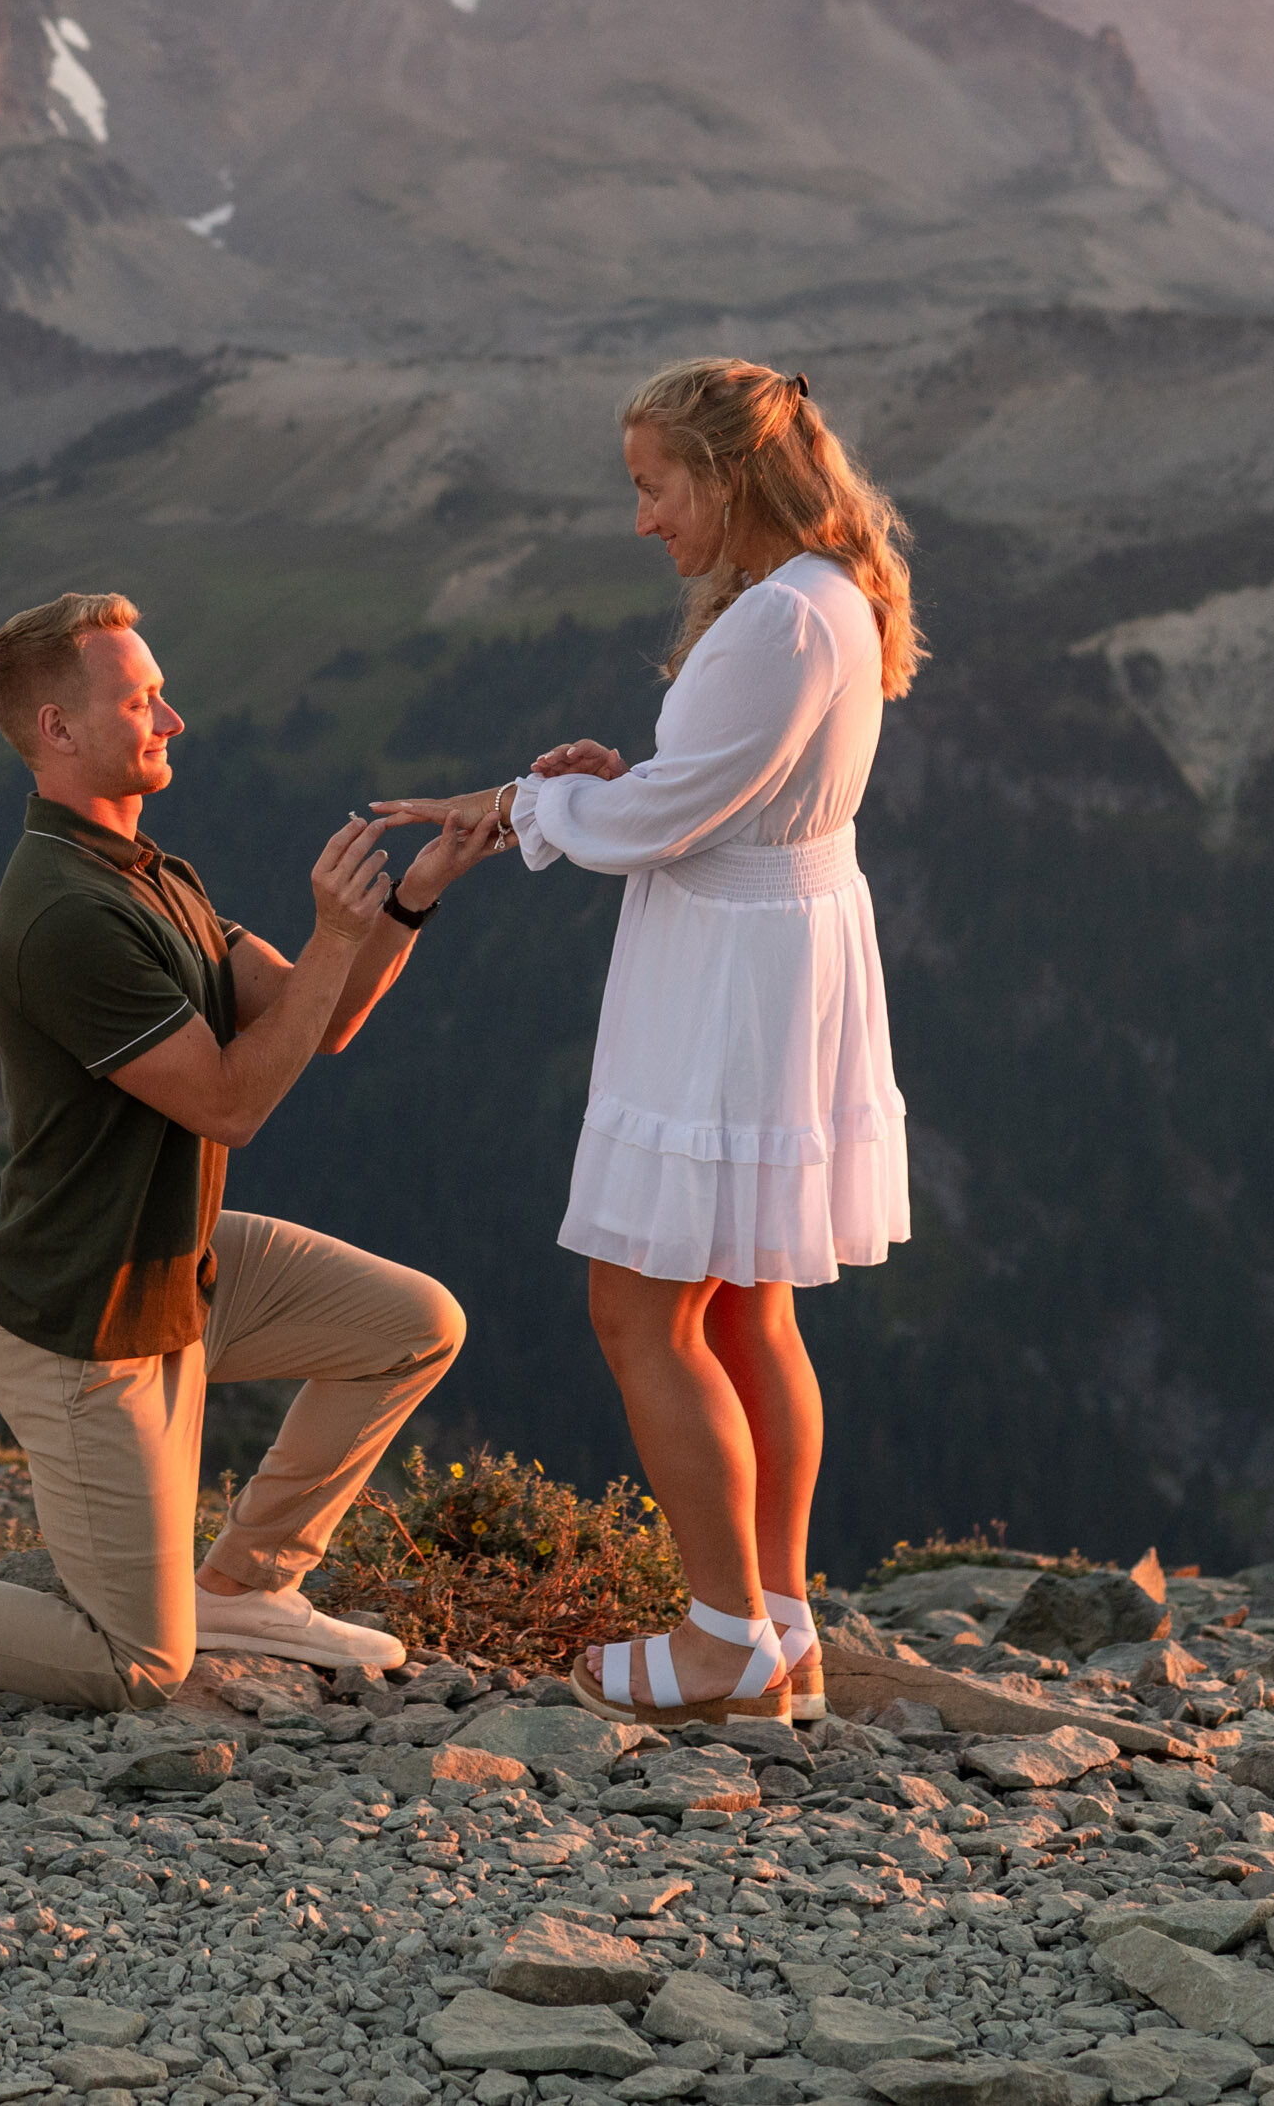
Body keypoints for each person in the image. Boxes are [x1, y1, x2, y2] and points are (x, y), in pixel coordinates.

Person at [0, 589, 496, 1721]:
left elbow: (314, 1019)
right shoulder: (66, 914)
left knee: (412, 1323)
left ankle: (245, 1586)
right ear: (58, 728)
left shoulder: (148, 873)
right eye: (140, 702)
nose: (171, 719)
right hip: (86, 1316)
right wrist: (333, 928)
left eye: (161, 694)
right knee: (135, 1663)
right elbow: (231, 1105)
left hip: (175, 1263)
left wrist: (411, 897)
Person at [371, 359, 917, 1727]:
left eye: (654, 485)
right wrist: (606, 789)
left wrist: (522, 806)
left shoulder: (774, 619)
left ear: (724, 475)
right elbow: (714, 793)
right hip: (778, 952)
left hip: (727, 976)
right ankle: (777, 1623)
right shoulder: (828, 594)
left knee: (641, 1307)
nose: (643, 518)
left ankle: (725, 1638)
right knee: (746, 1303)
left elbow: (673, 821)